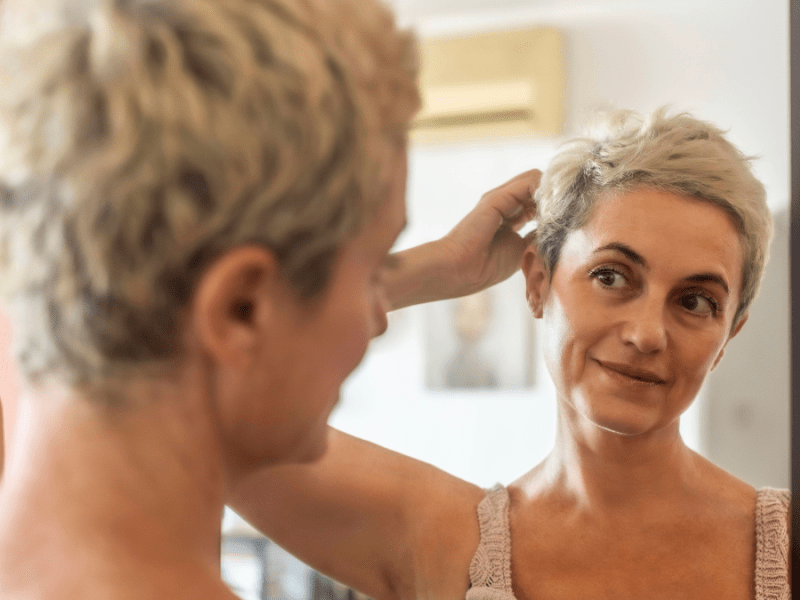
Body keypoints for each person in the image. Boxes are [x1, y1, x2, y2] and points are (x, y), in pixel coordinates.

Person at [0, 0, 538, 597]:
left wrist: (428, 268)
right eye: (368, 274)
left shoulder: (38, 343)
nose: (377, 320)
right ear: (241, 309)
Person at [227, 108, 790, 600]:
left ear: (728, 337)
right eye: (611, 275)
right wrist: (428, 270)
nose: (647, 334)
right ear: (539, 283)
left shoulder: (785, 549)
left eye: (694, 301)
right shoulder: (441, 538)